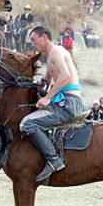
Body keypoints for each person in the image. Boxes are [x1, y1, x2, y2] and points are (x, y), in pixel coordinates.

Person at [20, 26, 84, 182]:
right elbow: (47, 82)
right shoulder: (50, 56)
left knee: (27, 124)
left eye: (34, 40)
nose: (33, 45)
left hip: (67, 104)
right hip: (67, 102)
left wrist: (47, 97)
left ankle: (54, 159)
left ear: (44, 37)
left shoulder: (55, 52)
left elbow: (65, 76)